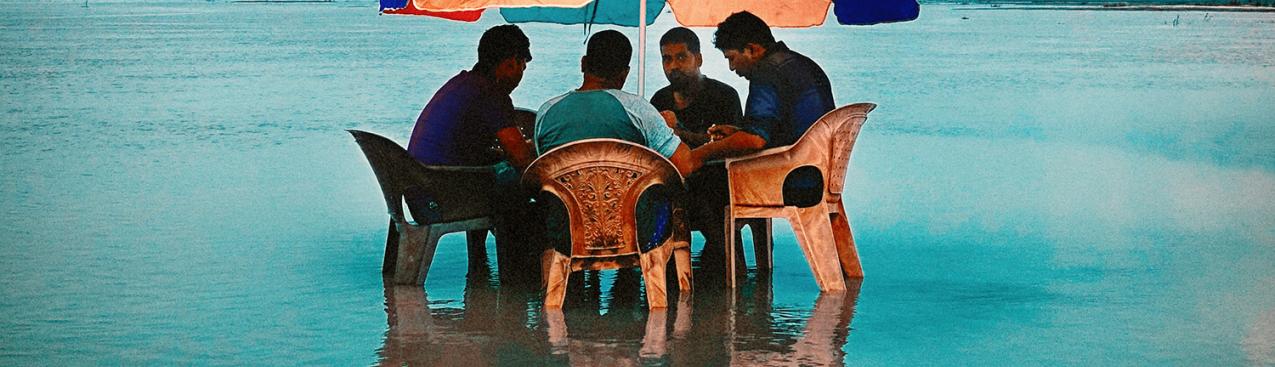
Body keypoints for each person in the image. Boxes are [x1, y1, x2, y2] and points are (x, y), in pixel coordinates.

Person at [686, 11, 837, 272]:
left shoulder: (766, 73)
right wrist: (737, 132)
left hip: (793, 181)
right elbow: (782, 128)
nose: (732, 68)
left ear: (752, 49)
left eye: (732, 58)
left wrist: (701, 154)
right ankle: (751, 271)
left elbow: (755, 140)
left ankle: (729, 275)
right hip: (820, 174)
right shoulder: (803, 64)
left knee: (704, 184)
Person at [533, 30, 703, 257]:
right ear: (625, 73)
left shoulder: (546, 113)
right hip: (636, 232)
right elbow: (685, 165)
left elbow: (537, 173)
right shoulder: (638, 110)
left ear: (583, 64)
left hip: (564, 233)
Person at [404, 24, 539, 284]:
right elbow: (522, 160)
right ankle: (521, 276)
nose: (521, 73)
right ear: (511, 62)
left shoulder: (464, 83)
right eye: (523, 65)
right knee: (523, 189)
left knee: (499, 175)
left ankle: (480, 266)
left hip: (416, 188)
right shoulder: (490, 93)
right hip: (439, 198)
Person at [650, 27, 743, 149]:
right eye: (667, 59)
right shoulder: (659, 100)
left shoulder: (724, 96)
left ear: (699, 59)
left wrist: (679, 133)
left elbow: (732, 145)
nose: (673, 66)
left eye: (681, 57)